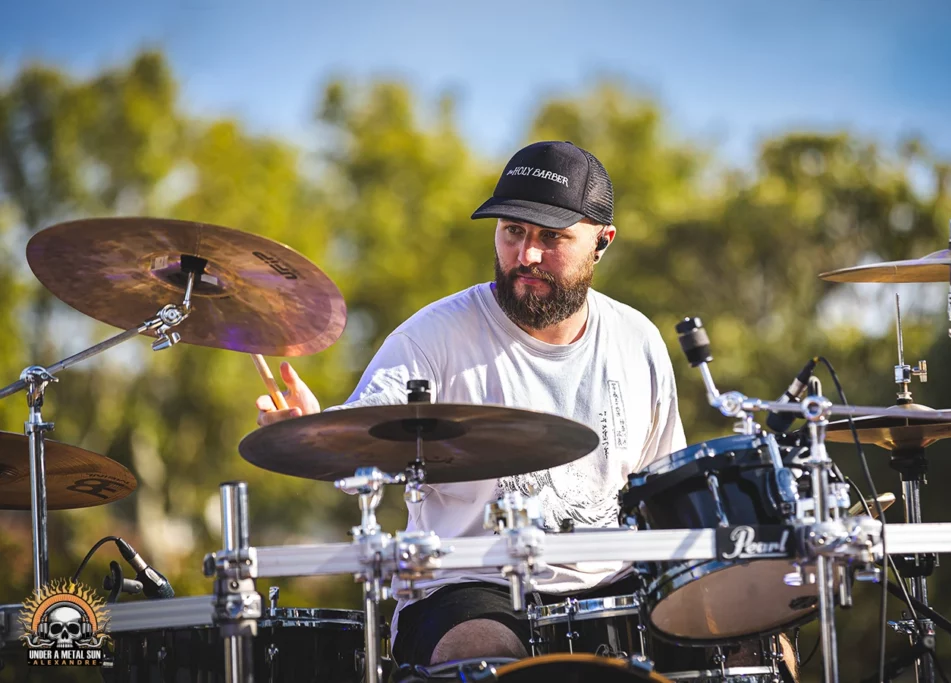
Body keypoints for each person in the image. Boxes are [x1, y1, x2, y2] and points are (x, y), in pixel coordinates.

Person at [256, 141, 689, 669]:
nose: (526, 255)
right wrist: (318, 434)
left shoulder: (636, 340)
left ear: (602, 242)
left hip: (611, 586)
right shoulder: (432, 336)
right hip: (467, 584)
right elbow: (360, 448)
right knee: (486, 653)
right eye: (513, 232)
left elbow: (666, 494)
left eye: (551, 237)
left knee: (739, 630)